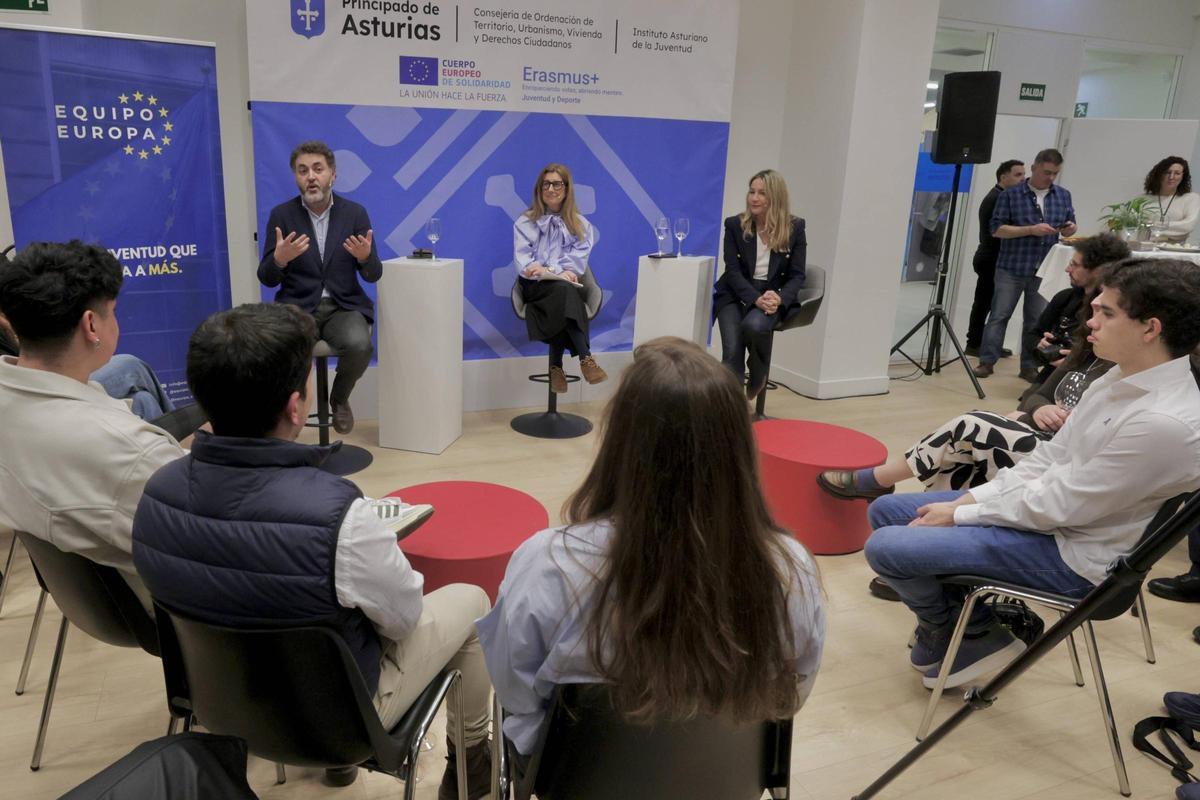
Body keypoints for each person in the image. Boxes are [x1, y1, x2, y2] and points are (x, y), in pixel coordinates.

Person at [131, 303, 492, 798]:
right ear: (296, 406)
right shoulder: (340, 517)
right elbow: (404, 621)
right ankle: (475, 768)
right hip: (343, 724)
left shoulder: (154, 496)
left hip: (215, 703)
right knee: (472, 601)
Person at [478, 337, 824, 764]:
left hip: (576, 779)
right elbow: (790, 694)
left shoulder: (547, 563)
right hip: (722, 777)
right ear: (736, 448)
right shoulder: (791, 569)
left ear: (621, 444)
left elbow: (516, 692)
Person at [865, 257, 1200, 690]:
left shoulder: (1165, 422)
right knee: (888, 511)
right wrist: (971, 502)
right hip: (1056, 521)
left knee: (889, 546)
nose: (1088, 321)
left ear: (1150, 329)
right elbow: (1049, 462)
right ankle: (964, 626)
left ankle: (968, 630)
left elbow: (1065, 504)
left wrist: (964, 512)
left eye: (1106, 313)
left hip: (1076, 557)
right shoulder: (1118, 377)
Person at [0, 241, 185, 610]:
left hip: (94, 598)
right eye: (112, 311)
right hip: (187, 616)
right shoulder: (130, 451)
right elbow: (218, 535)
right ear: (91, 324)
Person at [258, 140, 382, 436]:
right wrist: (279, 259)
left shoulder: (355, 214)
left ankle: (338, 399)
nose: (311, 176)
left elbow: (374, 273)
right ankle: (290, 415)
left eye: (317, 169)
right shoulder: (282, 216)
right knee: (285, 353)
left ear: (332, 175)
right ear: (296, 177)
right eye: (303, 171)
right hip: (297, 307)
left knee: (360, 345)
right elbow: (267, 277)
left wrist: (365, 257)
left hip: (343, 305)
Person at [975, 148, 1077, 382]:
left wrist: (1070, 228)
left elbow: (1072, 223)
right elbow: (997, 229)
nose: (1050, 178)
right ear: (1034, 167)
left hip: (1045, 268)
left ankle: (1029, 366)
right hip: (1012, 265)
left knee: (1036, 321)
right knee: (999, 315)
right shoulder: (1011, 195)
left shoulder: (1063, 195)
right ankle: (987, 362)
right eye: (1046, 172)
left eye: (1055, 173)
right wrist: (1030, 230)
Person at [713, 169, 807, 400]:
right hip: (735, 292)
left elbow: (797, 275)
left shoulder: (795, 227)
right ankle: (732, 409)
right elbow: (732, 271)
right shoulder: (735, 225)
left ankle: (758, 374)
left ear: (775, 197)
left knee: (754, 326)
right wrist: (755, 297)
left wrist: (780, 298)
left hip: (771, 295)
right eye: (751, 191)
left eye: (761, 193)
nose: (753, 198)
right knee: (732, 350)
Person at [513, 163, 606, 392]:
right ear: (539, 188)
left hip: (563, 287)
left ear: (566, 188)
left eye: (556, 183)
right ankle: (585, 357)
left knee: (563, 293)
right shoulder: (524, 222)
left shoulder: (582, 225)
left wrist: (551, 271)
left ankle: (556, 367)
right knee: (564, 292)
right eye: (546, 184)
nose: (551, 188)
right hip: (534, 287)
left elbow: (576, 264)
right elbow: (525, 264)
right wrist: (554, 272)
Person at [1022, 233, 1131, 387]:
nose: (1067, 269)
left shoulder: (1122, 310)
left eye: (1075, 265)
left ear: (1099, 270)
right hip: (1051, 378)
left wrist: (1078, 359)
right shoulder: (1065, 298)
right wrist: (1041, 344)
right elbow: (1033, 335)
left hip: (1097, 383)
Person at [965, 159, 1025, 357]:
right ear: (1003, 176)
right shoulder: (996, 198)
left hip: (993, 256)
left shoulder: (1001, 197)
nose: (1022, 179)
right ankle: (974, 343)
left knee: (992, 303)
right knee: (984, 302)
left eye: (1023, 174)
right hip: (991, 257)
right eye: (1018, 175)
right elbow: (995, 232)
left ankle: (987, 343)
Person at [1143, 156, 1200, 243]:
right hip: (1143, 249)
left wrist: (1151, 226)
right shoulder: (1143, 199)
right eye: (1167, 172)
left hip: (1175, 251)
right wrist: (1173, 231)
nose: (1171, 177)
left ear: (1183, 177)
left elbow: (1188, 226)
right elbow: (1134, 226)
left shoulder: (1191, 198)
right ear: (1159, 174)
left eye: (1177, 173)